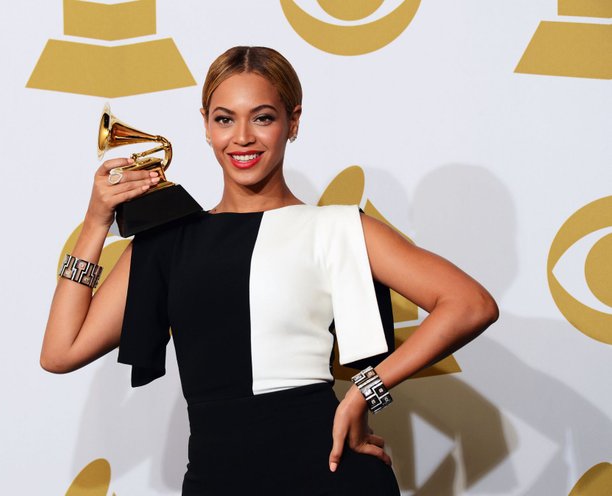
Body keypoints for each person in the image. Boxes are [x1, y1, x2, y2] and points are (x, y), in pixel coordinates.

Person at [41, 46, 499, 495]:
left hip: (330, 474)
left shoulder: (334, 228)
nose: (242, 137)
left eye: (262, 118)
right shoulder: (166, 241)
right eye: (225, 119)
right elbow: (61, 352)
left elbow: (470, 304)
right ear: (205, 125)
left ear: (292, 122)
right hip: (215, 480)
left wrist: (366, 390)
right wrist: (96, 222)